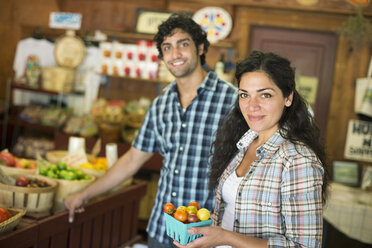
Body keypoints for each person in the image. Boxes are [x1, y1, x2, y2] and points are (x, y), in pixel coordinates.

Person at [64, 13, 237, 248]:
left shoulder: (233, 101)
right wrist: (85, 194)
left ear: (201, 47)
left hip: (207, 235)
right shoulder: (161, 103)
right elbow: (133, 159)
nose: (175, 54)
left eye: (183, 44)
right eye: (167, 47)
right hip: (161, 230)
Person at [174, 51, 329, 248]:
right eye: (244, 95)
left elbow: (305, 246)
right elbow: (229, 212)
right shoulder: (244, 143)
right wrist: (201, 234)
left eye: (265, 95)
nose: (251, 106)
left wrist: (225, 237)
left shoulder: (298, 159)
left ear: (288, 97)